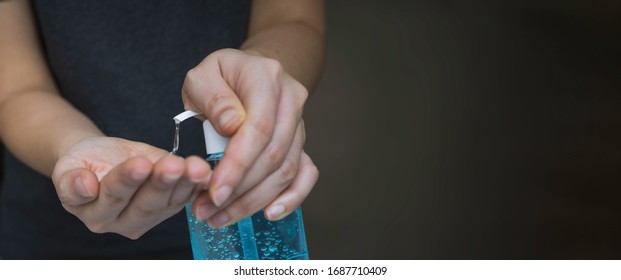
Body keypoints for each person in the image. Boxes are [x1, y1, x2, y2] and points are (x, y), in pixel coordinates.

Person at [0, 0, 323, 259]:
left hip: (250, 213)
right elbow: (16, 89)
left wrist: (264, 73)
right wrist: (72, 144)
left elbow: (294, 18)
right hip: (55, 247)